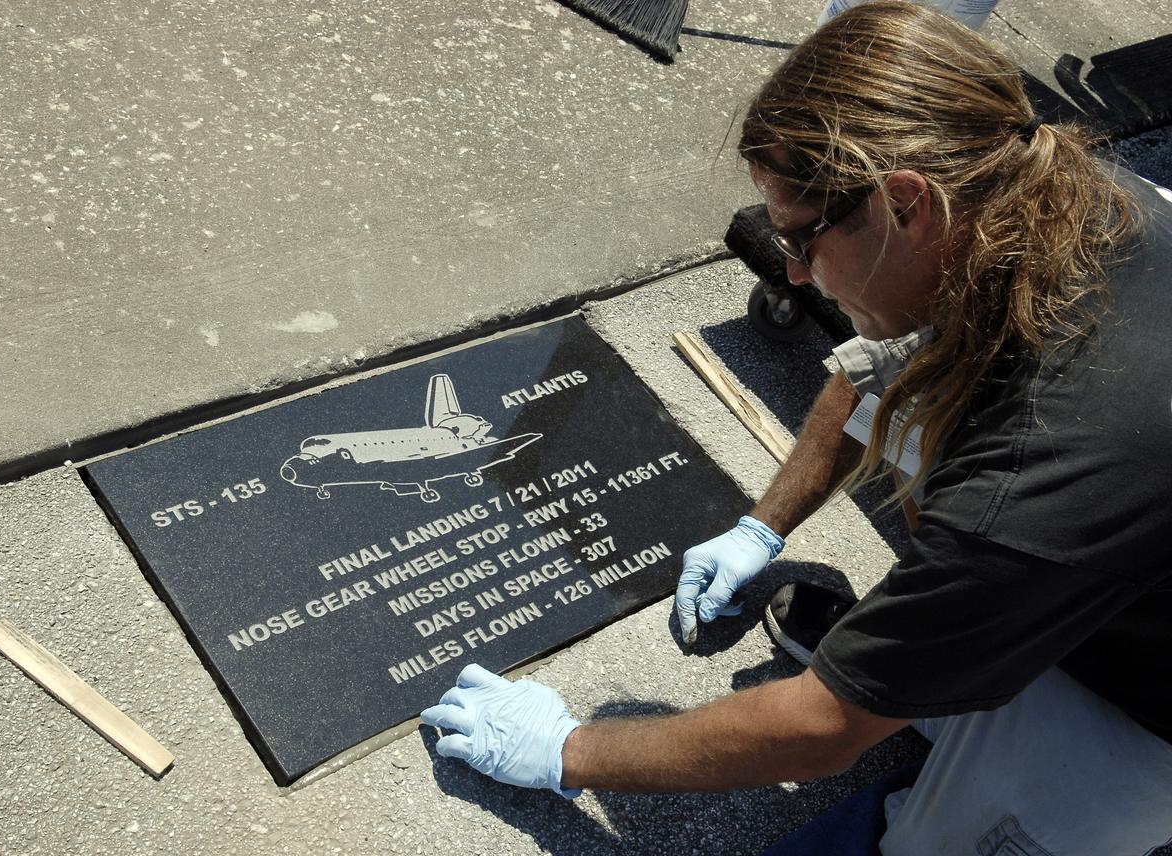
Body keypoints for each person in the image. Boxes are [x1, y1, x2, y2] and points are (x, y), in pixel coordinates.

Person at [421, 3, 1172, 852]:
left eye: (802, 238)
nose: (793, 270)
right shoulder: (1050, 191)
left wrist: (565, 749)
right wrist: (761, 526)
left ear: (905, 205)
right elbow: (889, 365)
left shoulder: (1039, 478)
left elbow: (820, 732)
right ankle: (935, 671)